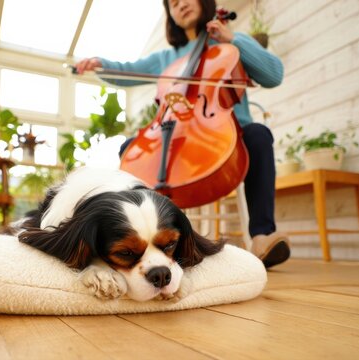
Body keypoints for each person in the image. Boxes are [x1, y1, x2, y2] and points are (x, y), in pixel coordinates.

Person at [74, 0, 290, 268]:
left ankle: (262, 235)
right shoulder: (166, 58)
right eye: (173, 3)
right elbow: (126, 71)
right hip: (175, 137)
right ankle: (145, 238)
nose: (181, 4)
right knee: (132, 149)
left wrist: (232, 39)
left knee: (258, 134)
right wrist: (100, 64)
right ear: (170, 15)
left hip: (226, 134)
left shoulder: (230, 43)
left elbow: (273, 75)